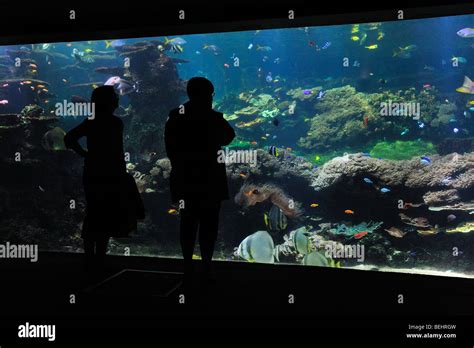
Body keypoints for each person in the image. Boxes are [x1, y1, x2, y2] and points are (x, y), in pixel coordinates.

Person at [64, 86, 144, 276]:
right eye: (115, 98)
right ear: (108, 102)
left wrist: (85, 154)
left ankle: (91, 260)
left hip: (93, 172)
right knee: (107, 214)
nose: (118, 101)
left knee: (94, 213)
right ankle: (98, 259)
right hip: (112, 174)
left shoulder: (91, 121)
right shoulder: (116, 123)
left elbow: (69, 138)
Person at [165, 77, 235, 283]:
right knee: (209, 223)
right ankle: (206, 266)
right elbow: (229, 136)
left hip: (185, 178)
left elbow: (170, 148)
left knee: (187, 221)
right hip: (210, 179)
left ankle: (187, 266)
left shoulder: (176, 116)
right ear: (208, 95)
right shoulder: (212, 117)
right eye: (211, 95)